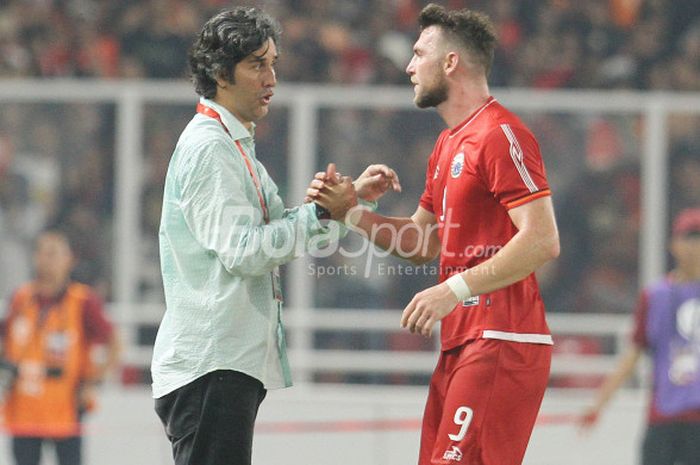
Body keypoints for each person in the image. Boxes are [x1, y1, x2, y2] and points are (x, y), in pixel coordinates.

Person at [310, 4, 560, 465]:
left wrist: (453, 288)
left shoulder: (501, 134)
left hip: (503, 337)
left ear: (450, 63)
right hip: (462, 340)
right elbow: (422, 244)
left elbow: (543, 238)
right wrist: (349, 213)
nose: (409, 66)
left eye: (419, 53)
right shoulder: (447, 144)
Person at [150, 7, 399, 465]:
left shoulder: (234, 145)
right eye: (257, 64)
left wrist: (346, 204)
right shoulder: (210, 149)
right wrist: (321, 213)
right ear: (220, 73)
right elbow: (244, 252)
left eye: (274, 64)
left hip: (224, 365)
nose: (271, 78)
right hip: (212, 363)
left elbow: (285, 237)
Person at [580, 208, 700, 465]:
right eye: (689, 237)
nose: (694, 246)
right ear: (674, 244)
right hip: (664, 413)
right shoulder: (655, 295)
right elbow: (633, 353)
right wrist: (599, 403)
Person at [0, 229, 119, 465]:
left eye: (53, 253)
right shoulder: (21, 298)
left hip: (65, 407)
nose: (46, 260)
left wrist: (93, 381)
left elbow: (114, 342)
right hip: (24, 408)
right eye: (42, 253)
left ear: (69, 260)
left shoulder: (82, 301)